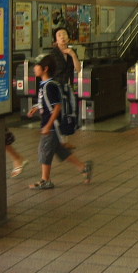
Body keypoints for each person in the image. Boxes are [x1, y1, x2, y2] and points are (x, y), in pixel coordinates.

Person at [27, 55, 93, 190]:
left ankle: (45, 180)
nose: (34, 68)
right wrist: (36, 107)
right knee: (60, 151)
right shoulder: (45, 85)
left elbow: (57, 107)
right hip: (51, 125)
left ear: (45, 69)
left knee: (44, 151)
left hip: (51, 126)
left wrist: (48, 125)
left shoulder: (49, 86)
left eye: (37, 65)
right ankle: (84, 167)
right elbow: (46, 103)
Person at [50, 27, 81, 148]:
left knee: (67, 111)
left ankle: (64, 140)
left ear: (68, 38)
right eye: (59, 35)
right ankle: (58, 140)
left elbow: (78, 69)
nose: (62, 37)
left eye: (64, 34)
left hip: (67, 87)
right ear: (56, 40)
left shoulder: (71, 52)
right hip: (56, 87)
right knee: (58, 112)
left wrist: (73, 55)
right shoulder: (53, 54)